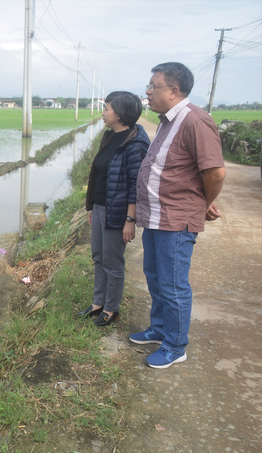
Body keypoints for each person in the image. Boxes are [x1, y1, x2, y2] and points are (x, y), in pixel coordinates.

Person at [130, 62, 226, 369]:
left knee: (173, 285)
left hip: (175, 220)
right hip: (156, 217)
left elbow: (215, 172)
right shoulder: (167, 121)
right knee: (155, 277)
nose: (147, 91)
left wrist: (201, 202)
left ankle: (175, 345)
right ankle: (159, 329)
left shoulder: (196, 121)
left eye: (153, 86)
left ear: (173, 91)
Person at [77, 91, 150, 327]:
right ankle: (98, 303)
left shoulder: (136, 143)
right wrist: (92, 207)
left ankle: (111, 308)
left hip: (117, 212)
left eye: (107, 108)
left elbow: (135, 185)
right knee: (98, 257)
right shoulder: (109, 137)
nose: (103, 112)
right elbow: (100, 173)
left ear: (120, 113)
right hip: (99, 208)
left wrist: (130, 219)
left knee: (113, 261)